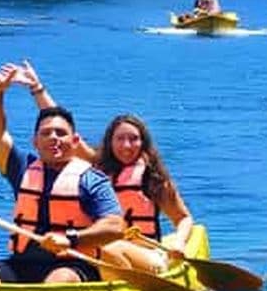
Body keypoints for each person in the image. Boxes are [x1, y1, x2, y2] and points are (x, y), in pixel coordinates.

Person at [16, 61, 194, 276]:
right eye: (120, 139)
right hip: (104, 255)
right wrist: (37, 89)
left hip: (148, 256)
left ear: (143, 143)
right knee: (102, 248)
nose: (126, 145)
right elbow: (60, 125)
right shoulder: (97, 169)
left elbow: (183, 218)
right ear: (110, 142)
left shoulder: (154, 179)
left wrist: (179, 243)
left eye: (133, 139)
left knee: (107, 247)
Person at [0, 64, 125, 284]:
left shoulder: (91, 179)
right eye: (46, 133)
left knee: (60, 279)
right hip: (22, 264)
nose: (53, 138)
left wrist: (72, 239)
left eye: (61, 133)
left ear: (75, 141)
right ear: (35, 142)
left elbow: (115, 226)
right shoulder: (22, 168)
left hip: (73, 265)